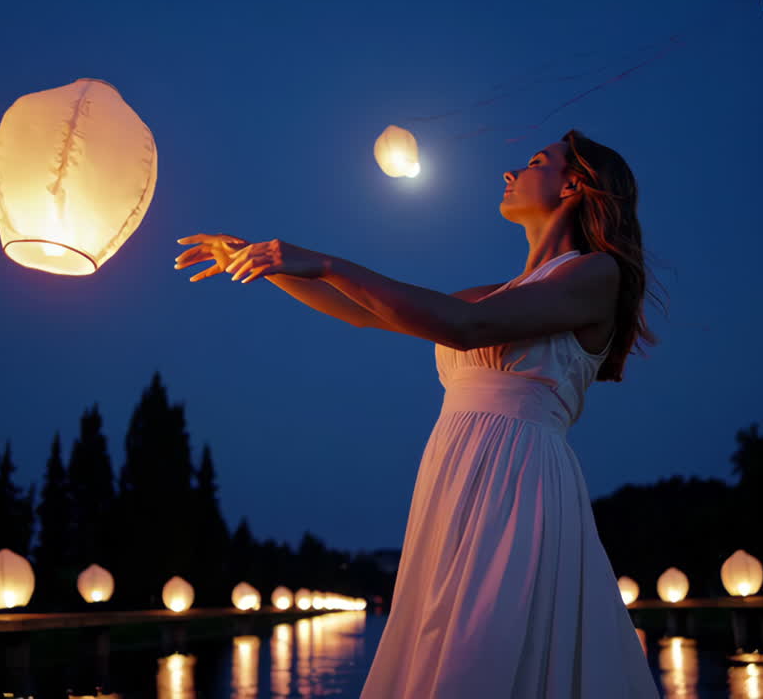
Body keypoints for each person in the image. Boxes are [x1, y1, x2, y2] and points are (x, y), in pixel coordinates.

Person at [174, 129, 662, 698]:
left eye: (534, 162)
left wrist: (326, 262)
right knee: (443, 636)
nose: (510, 172)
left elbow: (462, 328)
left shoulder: (594, 274)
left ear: (575, 184)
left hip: (517, 476)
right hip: (456, 474)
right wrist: (270, 264)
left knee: (485, 644)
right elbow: (361, 312)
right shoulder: (495, 292)